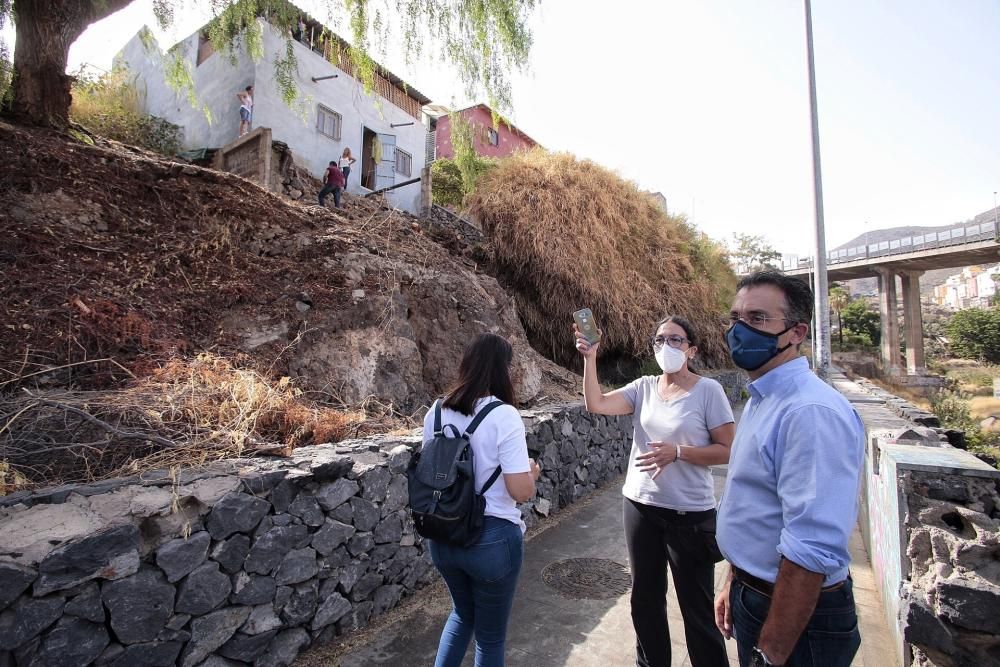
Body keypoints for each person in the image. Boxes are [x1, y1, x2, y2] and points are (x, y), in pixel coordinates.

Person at [714, 271, 864, 667]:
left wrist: (773, 653)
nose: (739, 329)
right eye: (735, 317)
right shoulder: (764, 398)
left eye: (758, 319)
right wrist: (736, 577)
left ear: (796, 332)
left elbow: (811, 546)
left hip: (797, 618)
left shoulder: (809, 412)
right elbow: (758, 505)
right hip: (757, 592)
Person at [575, 316, 734, 667]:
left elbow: (727, 450)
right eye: (659, 340)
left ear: (691, 349)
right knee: (645, 600)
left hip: (690, 514)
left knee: (696, 609)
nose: (666, 347)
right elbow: (596, 403)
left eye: (675, 340)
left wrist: (678, 452)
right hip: (640, 506)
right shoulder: (644, 386)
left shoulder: (709, 392)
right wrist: (590, 359)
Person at [423, 332, 542, 667]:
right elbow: (519, 491)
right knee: (490, 641)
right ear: (503, 370)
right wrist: (531, 473)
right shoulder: (504, 416)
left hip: (443, 536)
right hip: (491, 540)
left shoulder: (435, 412)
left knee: (461, 616)